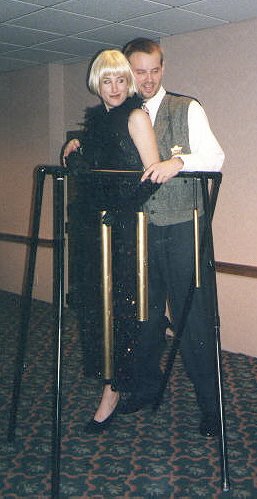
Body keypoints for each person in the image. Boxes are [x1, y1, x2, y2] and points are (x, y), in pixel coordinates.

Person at [64, 39, 225, 438]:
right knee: (144, 317)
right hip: (137, 231)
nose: (147, 78)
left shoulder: (186, 107)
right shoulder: (119, 113)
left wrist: (179, 161)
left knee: (192, 319)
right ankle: (144, 389)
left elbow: (216, 157)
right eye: (138, 72)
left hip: (179, 226)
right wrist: (79, 143)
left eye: (153, 70)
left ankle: (212, 407)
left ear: (162, 69)